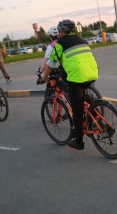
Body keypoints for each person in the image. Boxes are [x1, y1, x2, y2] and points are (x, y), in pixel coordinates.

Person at [40, 19, 99, 150]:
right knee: (81, 94)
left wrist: (43, 78)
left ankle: (79, 142)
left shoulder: (60, 44)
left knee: (77, 110)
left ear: (61, 32)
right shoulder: (82, 40)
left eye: (60, 31)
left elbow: (50, 64)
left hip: (77, 76)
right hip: (92, 73)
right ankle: (97, 116)